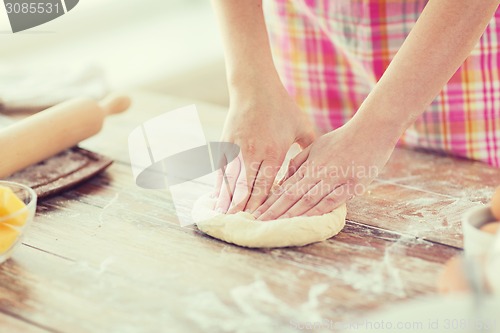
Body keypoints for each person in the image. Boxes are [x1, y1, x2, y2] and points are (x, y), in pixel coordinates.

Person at [211, 0, 500, 221]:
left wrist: (379, 124)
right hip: (316, 32)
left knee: (470, 213)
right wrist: (250, 83)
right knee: (319, 185)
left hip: (448, 40)